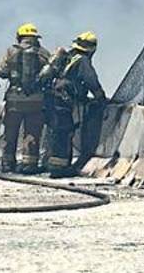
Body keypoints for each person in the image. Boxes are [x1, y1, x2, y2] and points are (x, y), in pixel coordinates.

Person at [0, 23, 50, 174]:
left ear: (19, 36)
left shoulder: (11, 51)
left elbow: (1, 70)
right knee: (32, 133)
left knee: (10, 133)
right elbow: (50, 73)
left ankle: (7, 164)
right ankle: (29, 165)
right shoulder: (43, 53)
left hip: (14, 101)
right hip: (36, 101)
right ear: (35, 37)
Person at [39, 31, 106, 178]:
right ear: (92, 49)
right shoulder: (82, 60)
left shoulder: (67, 56)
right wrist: (101, 97)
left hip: (52, 98)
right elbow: (91, 80)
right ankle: (59, 169)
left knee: (55, 132)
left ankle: (51, 164)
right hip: (63, 101)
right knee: (63, 133)